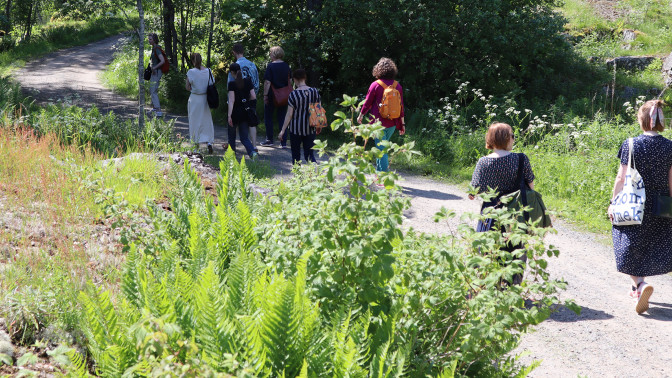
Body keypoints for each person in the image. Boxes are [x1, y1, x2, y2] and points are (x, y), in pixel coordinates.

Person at [608, 99, 672, 314]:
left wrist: (613, 203)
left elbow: (621, 177)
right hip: (661, 203)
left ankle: (640, 284)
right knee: (652, 243)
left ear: (642, 120)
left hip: (634, 202)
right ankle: (638, 287)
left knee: (626, 243)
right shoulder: (670, 146)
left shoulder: (631, 143)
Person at [469, 122, 534, 286]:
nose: (513, 139)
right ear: (506, 139)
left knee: (487, 250)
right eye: (512, 136)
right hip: (516, 214)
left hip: (491, 213)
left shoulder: (483, 162)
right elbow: (531, 186)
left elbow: (472, 192)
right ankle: (514, 288)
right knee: (516, 251)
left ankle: (487, 286)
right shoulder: (521, 159)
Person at [357, 57, 405, 174]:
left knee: (381, 149)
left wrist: (361, 115)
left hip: (377, 124)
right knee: (381, 148)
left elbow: (367, 103)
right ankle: (379, 174)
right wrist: (402, 124)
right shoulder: (397, 86)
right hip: (393, 123)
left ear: (378, 70)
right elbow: (401, 106)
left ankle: (385, 176)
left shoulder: (375, 85)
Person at [278, 69, 318, 164]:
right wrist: (318, 126)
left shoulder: (293, 94)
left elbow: (289, 114)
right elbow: (318, 111)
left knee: (296, 155)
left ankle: (297, 175)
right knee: (309, 154)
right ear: (305, 78)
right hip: (311, 128)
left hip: (295, 129)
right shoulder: (314, 92)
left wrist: (283, 130)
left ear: (295, 79)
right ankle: (315, 174)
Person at [227, 43, 260, 151]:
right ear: (243, 51)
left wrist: (229, 111)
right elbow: (256, 83)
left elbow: (230, 92)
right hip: (250, 100)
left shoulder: (234, 66)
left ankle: (232, 152)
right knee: (251, 122)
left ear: (234, 52)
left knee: (233, 130)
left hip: (236, 104)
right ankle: (254, 146)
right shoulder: (252, 65)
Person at [261, 46, 291, 148]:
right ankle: (283, 142)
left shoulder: (271, 66)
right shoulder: (286, 66)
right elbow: (289, 82)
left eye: (270, 53)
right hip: (284, 96)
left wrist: (265, 95)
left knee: (268, 117)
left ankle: (269, 139)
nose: (270, 55)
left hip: (272, 95)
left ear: (274, 54)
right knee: (282, 118)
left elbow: (267, 82)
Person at [185, 53, 214, 154]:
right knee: (206, 121)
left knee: (194, 122)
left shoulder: (191, 72)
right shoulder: (208, 71)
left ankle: (196, 145)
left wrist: (194, 88)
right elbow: (211, 84)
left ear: (193, 61)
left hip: (195, 99)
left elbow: (187, 87)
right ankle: (208, 142)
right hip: (205, 99)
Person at [148, 33, 165, 116]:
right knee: (152, 89)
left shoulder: (157, 49)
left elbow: (162, 61)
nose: (149, 40)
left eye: (150, 39)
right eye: (149, 39)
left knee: (153, 90)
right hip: (154, 72)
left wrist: (154, 68)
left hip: (157, 72)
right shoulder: (154, 48)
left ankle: (158, 110)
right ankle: (155, 108)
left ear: (154, 40)